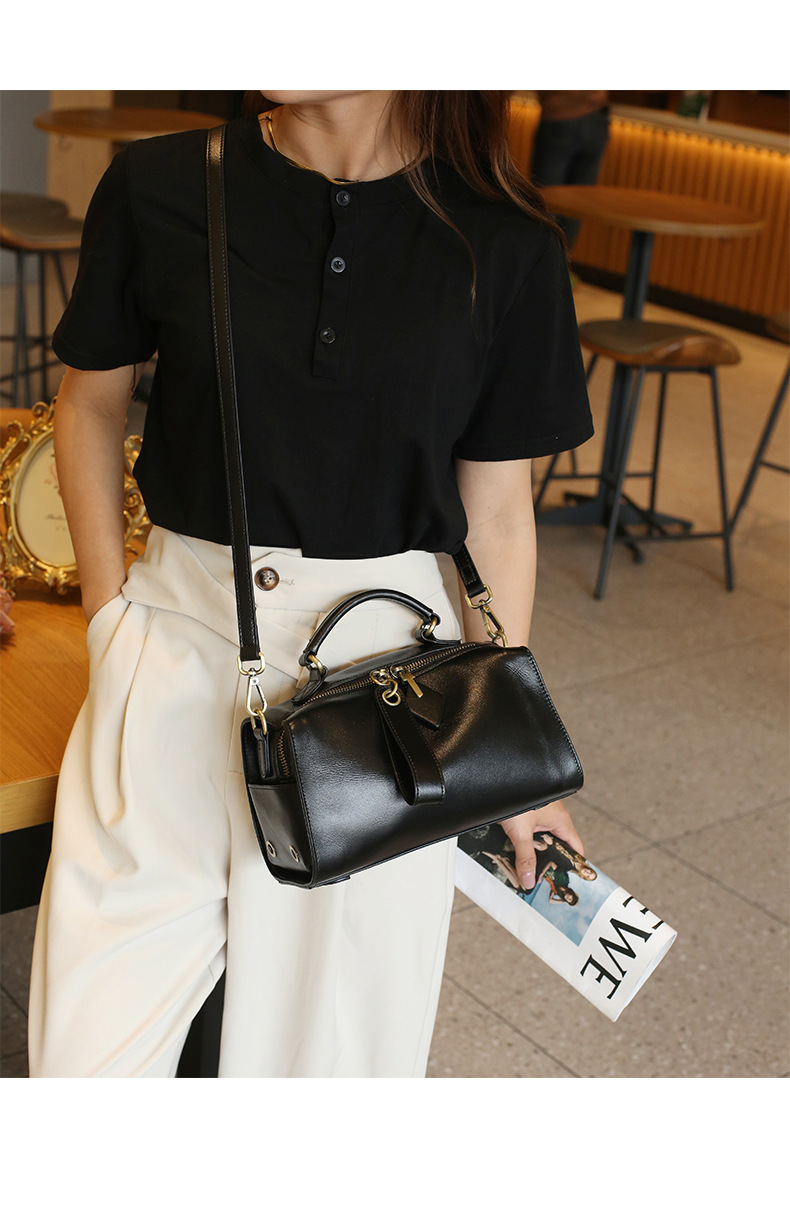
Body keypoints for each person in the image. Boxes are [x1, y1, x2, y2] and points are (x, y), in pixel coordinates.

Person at [28, 91, 593, 1078]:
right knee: (88, 1053)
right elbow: (90, 402)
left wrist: (511, 753)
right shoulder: (163, 184)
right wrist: (110, 616)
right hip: (173, 641)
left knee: (326, 1070)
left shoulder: (504, 240)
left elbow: (498, 509)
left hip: (389, 700)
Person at [530, 91, 610, 251]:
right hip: (597, 117)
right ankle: (559, 262)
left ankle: (546, 263)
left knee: (546, 205)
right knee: (571, 207)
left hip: (561, 116)